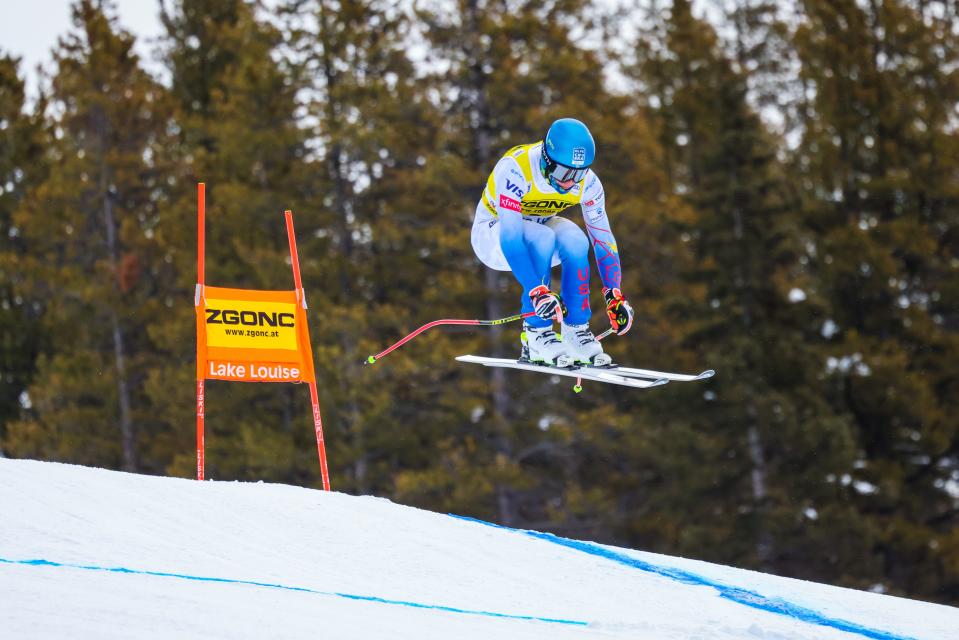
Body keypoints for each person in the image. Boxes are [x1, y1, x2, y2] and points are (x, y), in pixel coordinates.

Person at [471, 117, 634, 366]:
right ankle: (535, 334)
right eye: (562, 172)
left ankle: (575, 331)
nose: (570, 181)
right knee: (543, 236)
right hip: (493, 236)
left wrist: (614, 293)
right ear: (547, 159)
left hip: (537, 228)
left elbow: (603, 239)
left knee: (577, 240)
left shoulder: (588, 184)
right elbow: (511, 238)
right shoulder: (517, 167)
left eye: (578, 174)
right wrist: (537, 290)